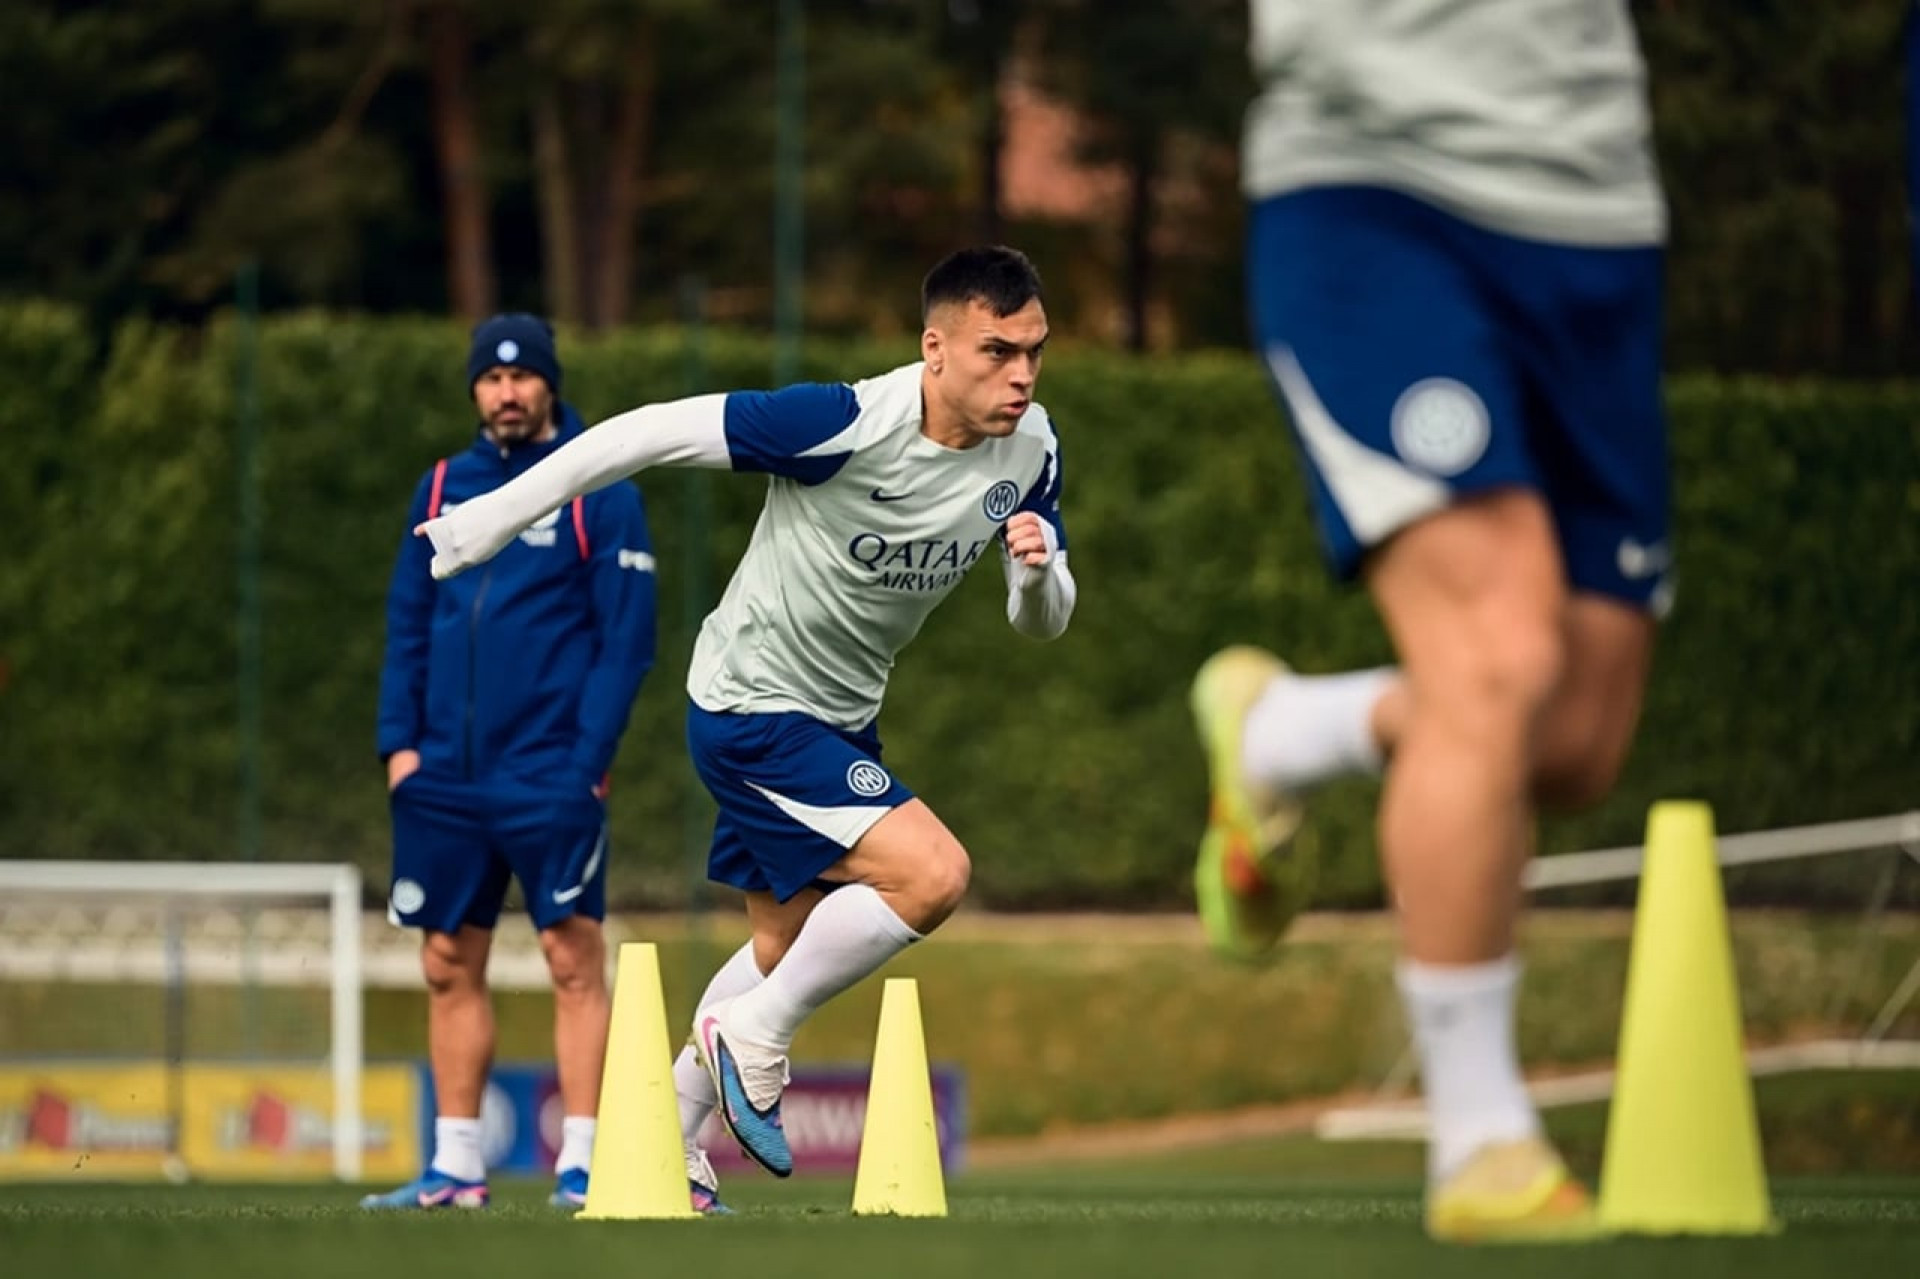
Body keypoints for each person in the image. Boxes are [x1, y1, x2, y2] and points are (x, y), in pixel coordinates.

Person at [415, 247, 1074, 1204]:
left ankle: (666, 1142)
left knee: (784, 948)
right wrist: (492, 522)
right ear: (935, 349)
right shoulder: (843, 423)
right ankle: (754, 1037)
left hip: (841, 722)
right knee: (933, 873)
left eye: (1035, 353)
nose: (1020, 375)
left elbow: (1041, 620)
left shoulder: (1036, 447)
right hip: (751, 706)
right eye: (997, 351)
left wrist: (1037, 570)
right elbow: (644, 433)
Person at [1194, 0, 1671, 1243]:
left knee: (1567, 738)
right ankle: (1480, 1142)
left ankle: (1286, 728)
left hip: (1599, 208)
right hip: (1377, 187)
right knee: (1498, 660)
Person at [363, 313, 659, 1211]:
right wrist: (400, 749)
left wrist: (586, 764)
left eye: (523, 377)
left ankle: (582, 1162)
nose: (506, 393)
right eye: (491, 380)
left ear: (549, 385)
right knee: (448, 960)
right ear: (474, 392)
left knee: (573, 959)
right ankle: (455, 1166)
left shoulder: (595, 488)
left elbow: (626, 639)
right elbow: (409, 623)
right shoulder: (442, 484)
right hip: (443, 778)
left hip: (549, 777)